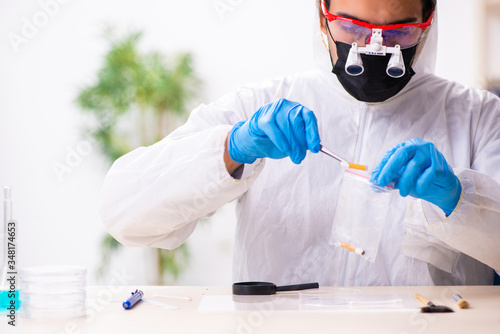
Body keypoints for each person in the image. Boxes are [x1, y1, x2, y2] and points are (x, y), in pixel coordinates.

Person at [99, 0, 500, 286]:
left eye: (399, 31)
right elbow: (124, 213)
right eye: (353, 28)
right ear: (321, 15)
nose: (374, 46)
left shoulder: (476, 117)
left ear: (426, 22)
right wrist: (232, 149)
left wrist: (462, 200)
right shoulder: (258, 105)